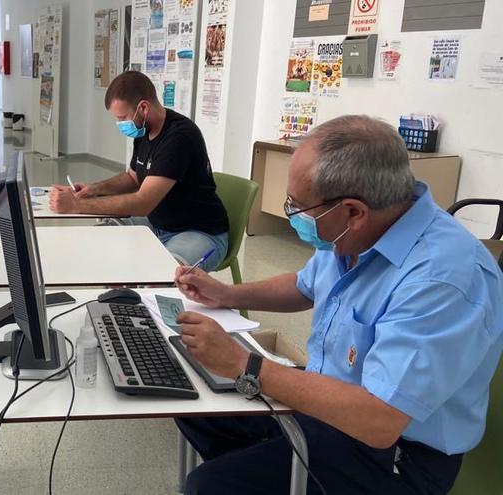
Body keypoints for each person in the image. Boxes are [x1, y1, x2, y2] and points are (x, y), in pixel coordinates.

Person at [173, 115, 503, 495]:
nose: (293, 215)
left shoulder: (443, 277)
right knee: (194, 403)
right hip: (327, 410)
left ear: (353, 210)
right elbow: (304, 286)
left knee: (211, 487)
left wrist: (243, 364)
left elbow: (380, 419)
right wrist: (228, 294)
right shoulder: (354, 233)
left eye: (298, 206)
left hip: (395, 455)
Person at [49, 71, 229, 271]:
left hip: (198, 232)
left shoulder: (179, 137)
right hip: (157, 223)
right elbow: (132, 177)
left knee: (162, 274)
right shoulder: (144, 129)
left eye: (122, 117)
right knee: (97, 241)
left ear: (143, 107)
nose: (121, 124)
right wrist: (94, 189)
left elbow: (143, 202)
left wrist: (76, 205)